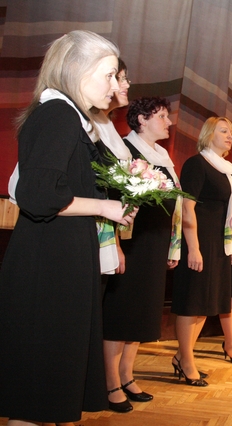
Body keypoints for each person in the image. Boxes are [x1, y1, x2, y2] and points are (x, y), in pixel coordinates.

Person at [0, 30, 135, 426]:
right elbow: (39, 194)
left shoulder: (67, 116)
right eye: (108, 75)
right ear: (77, 69)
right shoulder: (58, 113)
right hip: (49, 264)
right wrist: (105, 207)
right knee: (36, 389)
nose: (114, 86)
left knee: (46, 384)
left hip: (59, 257)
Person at [102, 97, 182, 409]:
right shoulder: (125, 151)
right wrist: (115, 246)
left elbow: (175, 208)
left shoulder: (162, 156)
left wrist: (173, 245)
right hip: (131, 245)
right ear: (142, 120)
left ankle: (127, 375)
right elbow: (113, 203)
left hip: (155, 245)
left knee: (140, 314)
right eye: (161, 116)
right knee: (121, 313)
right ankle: (109, 382)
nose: (169, 122)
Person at [172, 117, 232, 379]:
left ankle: (182, 356)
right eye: (223, 131)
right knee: (192, 303)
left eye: (231, 132)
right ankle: (187, 362)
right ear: (208, 134)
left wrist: (230, 247)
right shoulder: (197, 164)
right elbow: (187, 208)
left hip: (217, 245)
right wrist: (193, 248)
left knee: (206, 304)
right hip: (198, 241)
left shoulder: (226, 170)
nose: (229, 136)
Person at [93, 58, 132, 282]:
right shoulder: (85, 123)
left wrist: (115, 242)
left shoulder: (109, 127)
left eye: (125, 79)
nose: (125, 85)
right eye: (118, 78)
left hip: (106, 231)